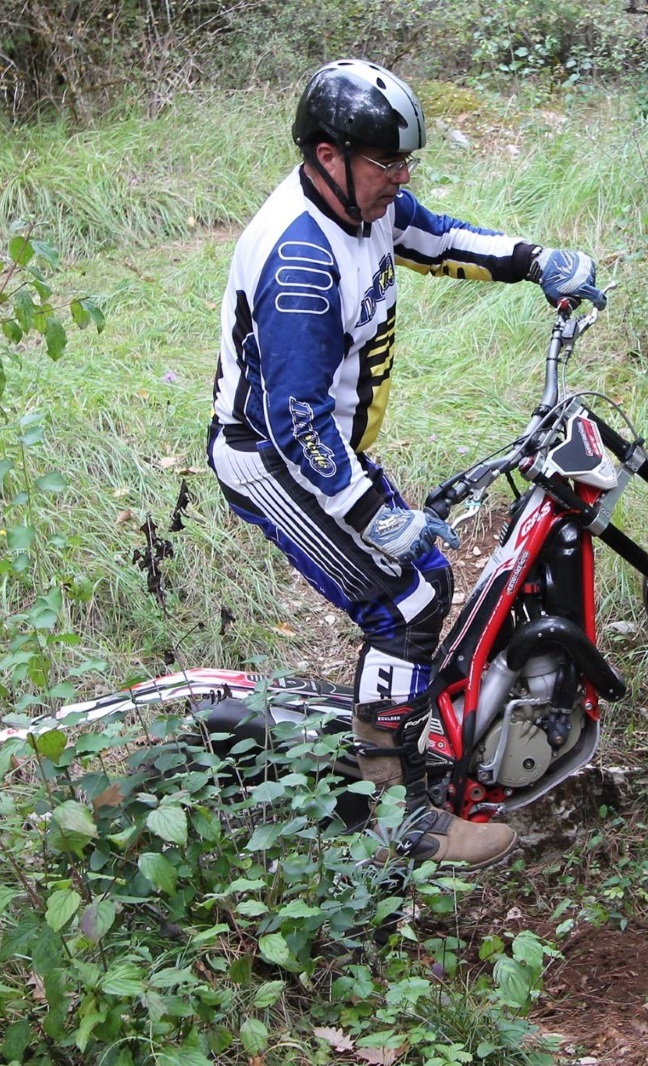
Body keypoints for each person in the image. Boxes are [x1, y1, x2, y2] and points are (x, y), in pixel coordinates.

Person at [207, 59, 606, 869]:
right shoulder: (300, 264)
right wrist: (371, 513)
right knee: (407, 602)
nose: (402, 178)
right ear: (328, 156)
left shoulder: (365, 206)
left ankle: (394, 726)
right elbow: (294, 420)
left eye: (405, 161)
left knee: (428, 574)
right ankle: (400, 816)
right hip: (272, 458)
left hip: (326, 447)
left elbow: (439, 237)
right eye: (388, 163)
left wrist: (536, 261)